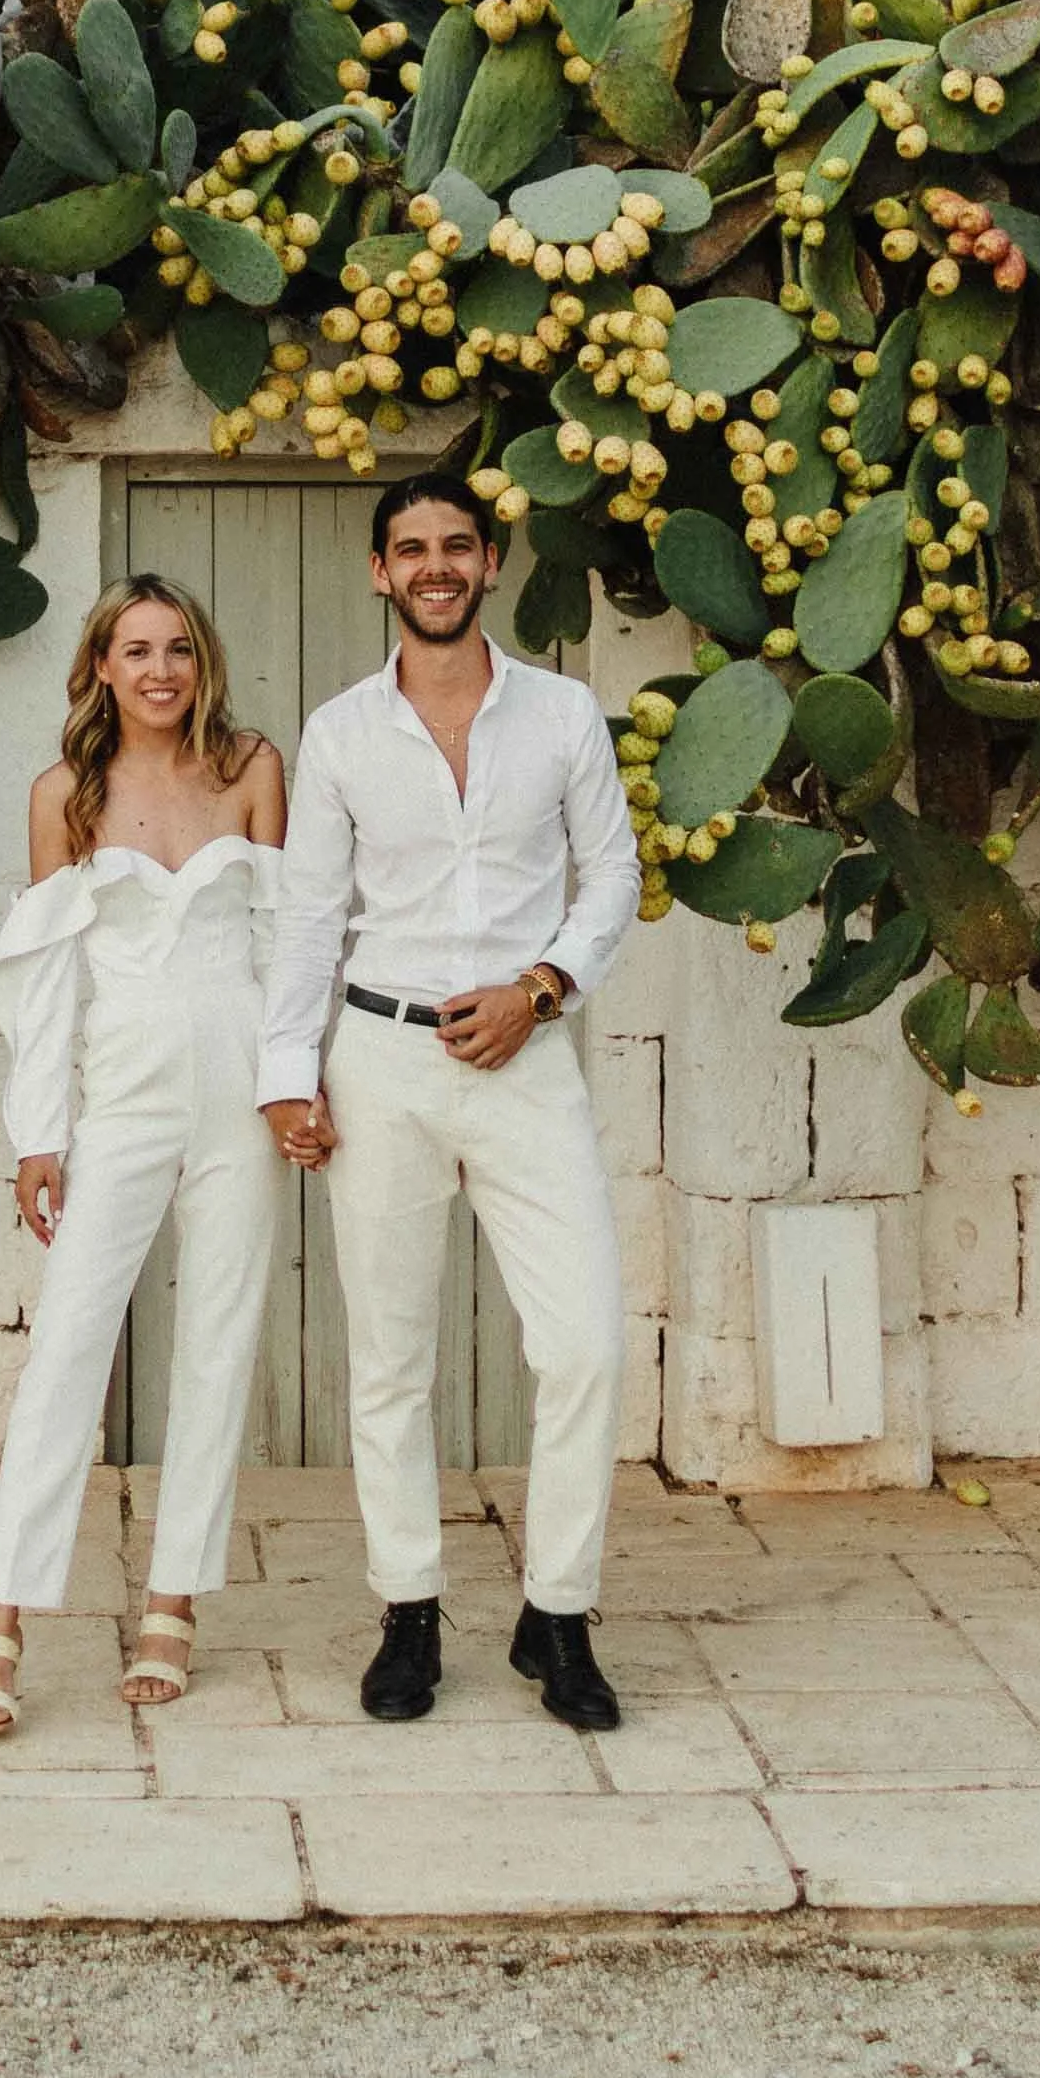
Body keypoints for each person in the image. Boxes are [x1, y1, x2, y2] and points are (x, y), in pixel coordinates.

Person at [259, 474, 641, 1730]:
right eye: (411, 548)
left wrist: (541, 988)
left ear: (489, 563)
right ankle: (409, 1612)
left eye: (457, 546)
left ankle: (561, 1616)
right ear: (381, 572)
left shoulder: (564, 714)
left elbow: (614, 879)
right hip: (383, 1060)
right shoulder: (341, 734)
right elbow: (310, 914)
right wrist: (286, 1075)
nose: (435, 565)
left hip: (525, 1059)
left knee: (583, 1339)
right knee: (392, 1357)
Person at [0, 575, 295, 1736]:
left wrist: (293, 1084)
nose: (160, 671)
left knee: (219, 1340)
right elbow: (48, 975)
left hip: (239, 1085)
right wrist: (38, 1132)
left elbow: (282, 939)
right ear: (101, 667)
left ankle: (172, 1604)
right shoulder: (66, 794)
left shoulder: (252, 768)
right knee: (67, 1348)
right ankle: (2, 1618)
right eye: (136, 651)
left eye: (179, 651)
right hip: (127, 1093)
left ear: (202, 663)